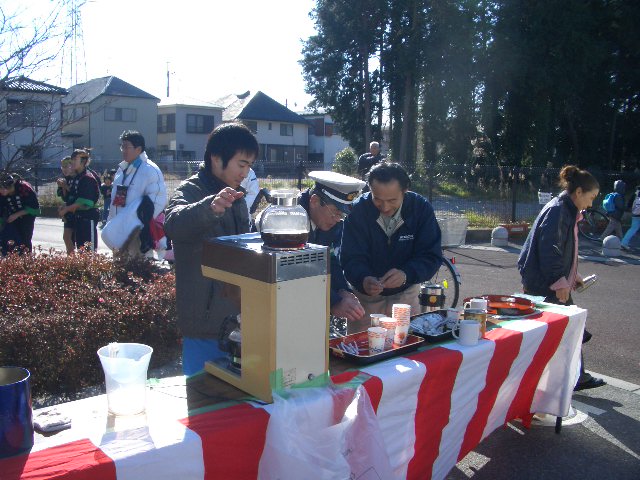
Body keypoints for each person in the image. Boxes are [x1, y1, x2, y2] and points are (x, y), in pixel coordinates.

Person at [164, 122, 259, 376]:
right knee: (203, 401)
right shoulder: (191, 190)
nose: (246, 172)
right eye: (241, 164)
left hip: (238, 319)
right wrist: (211, 208)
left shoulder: (237, 198)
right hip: (204, 323)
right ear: (216, 158)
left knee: (238, 401)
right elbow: (173, 222)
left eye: (249, 166)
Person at [518, 165, 605, 391]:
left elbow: (560, 250)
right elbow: (550, 249)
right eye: (591, 197)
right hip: (546, 283)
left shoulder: (564, 210)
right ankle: (567, 378)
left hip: (547, 281)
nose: (591, 203)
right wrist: (560, 281)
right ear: (578, 192)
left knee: (564, 330)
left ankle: (573, 376)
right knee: (564, 331)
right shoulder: (559, 211)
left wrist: (571, 276)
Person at [340, 162, 444, 333]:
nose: (385, 207)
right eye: (377, 199)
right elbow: (351, 257)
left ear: (405, 191)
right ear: (370, 190)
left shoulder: (420, 209)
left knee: (407, 351)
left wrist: (406, 274)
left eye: (392, 200)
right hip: (365, 301)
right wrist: (363, 279)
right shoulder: (359, 210)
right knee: (363, 351)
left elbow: (431, 255)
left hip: (406, 296)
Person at [299, 170, 366, 324]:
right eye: (335, 212)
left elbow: (330, 258)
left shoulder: (330, 222)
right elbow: (295, 269)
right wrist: (333, 301)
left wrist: (343, 291)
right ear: (315, 201)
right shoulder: (290, 218)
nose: (338, 220)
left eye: (342, 215)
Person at [105, 130, 167, 258]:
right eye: (122, 146)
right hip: (120, 231)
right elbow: (115, 201)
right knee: (120, 269)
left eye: (127, 147)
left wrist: (137, 226)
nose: (123, 150)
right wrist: (111, 223)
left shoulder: (150, 170)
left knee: (140, 269)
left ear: (139, 149)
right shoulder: (122, 170)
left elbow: (157, 202)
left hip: (137, 234)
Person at [57, 149, 100, 251]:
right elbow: (72, 197)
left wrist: (66, 209)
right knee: (80, 247)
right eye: (72, 159)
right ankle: (74, 265)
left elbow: (84, 202)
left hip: (88, 216)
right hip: (78, 216)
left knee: (88, 248)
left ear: (83, 162)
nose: (72, 162)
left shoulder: (87, 177)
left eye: (75, 159)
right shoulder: (76, 177)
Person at [0, 172, 40, 255]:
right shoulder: (2, 195)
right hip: (10, 217)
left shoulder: (24, 188)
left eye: (3, 188)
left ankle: (26, 262)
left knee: (25, 241)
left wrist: (17, 215)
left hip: (27, 217)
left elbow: (36, 209)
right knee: (9, 240)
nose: (2, 191)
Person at [56, 156, 76, 254]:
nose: (64, 169)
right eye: (62, 167)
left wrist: (66, 186)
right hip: (68, 212)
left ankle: (80, 261)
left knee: (77, 238)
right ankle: (71, 259)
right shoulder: (65, 179)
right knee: (66, 237)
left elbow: (76, 194)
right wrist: (63, 187)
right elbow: (65, 197)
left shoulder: (79, 177)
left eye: (66, 166)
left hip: (78, 210)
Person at [621, 185, 640, 251]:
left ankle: (624, 242)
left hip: (635, 214)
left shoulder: (635, 194)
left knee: (633, 228)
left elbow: (629, 204)